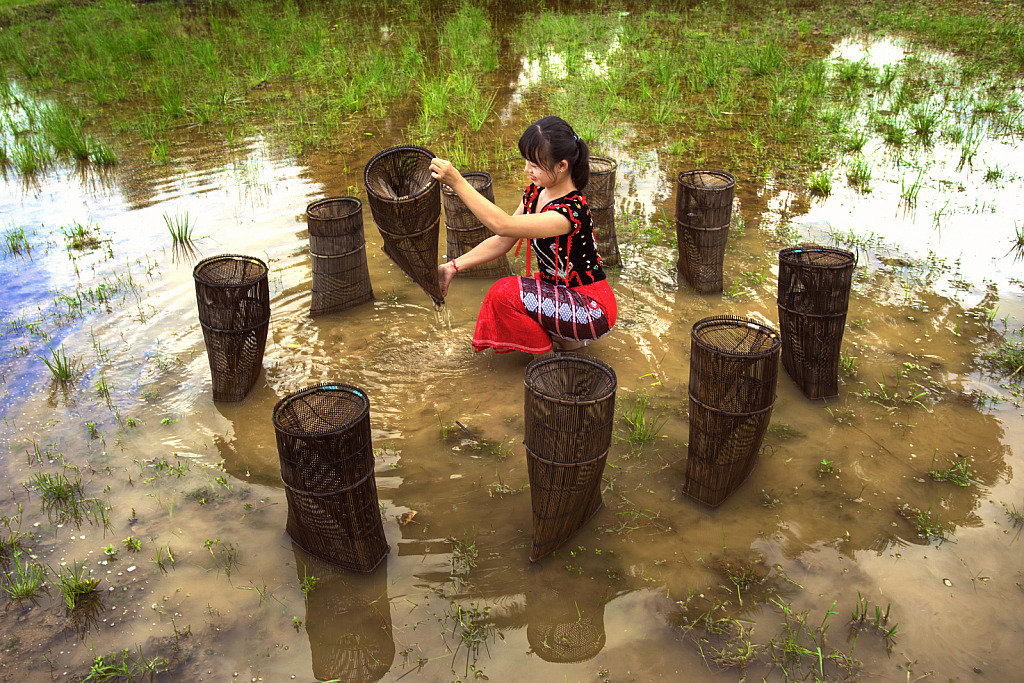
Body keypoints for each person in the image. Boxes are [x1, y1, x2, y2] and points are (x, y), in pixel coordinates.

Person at [429, 115, 617, 355]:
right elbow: (502, 241)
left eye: (536, 164)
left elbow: (503, 225)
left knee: (504, 291)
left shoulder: (569, 212)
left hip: (592, 309)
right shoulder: (536, 194)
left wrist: (457, 182)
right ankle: (569, 344)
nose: (528, 169)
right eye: (527, 161)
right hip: (564, 296)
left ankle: (556, 348)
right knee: (514, 291)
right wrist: (453, 266)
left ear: (562, 166)